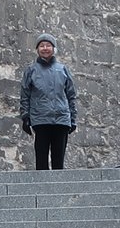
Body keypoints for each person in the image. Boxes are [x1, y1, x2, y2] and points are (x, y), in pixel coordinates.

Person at [18, 35, 77, 169]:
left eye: (48, 45)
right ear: (37, 49)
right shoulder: (31, 70)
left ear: (53, 48)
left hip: (61, 119)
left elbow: (71, 95)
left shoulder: (62, 69)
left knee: (58, 161)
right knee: (41, 161)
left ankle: (59, 188)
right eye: (42, 45)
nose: (45, 48)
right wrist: (25, 116)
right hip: (40, 119)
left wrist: (73, 119)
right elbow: (25, 95)